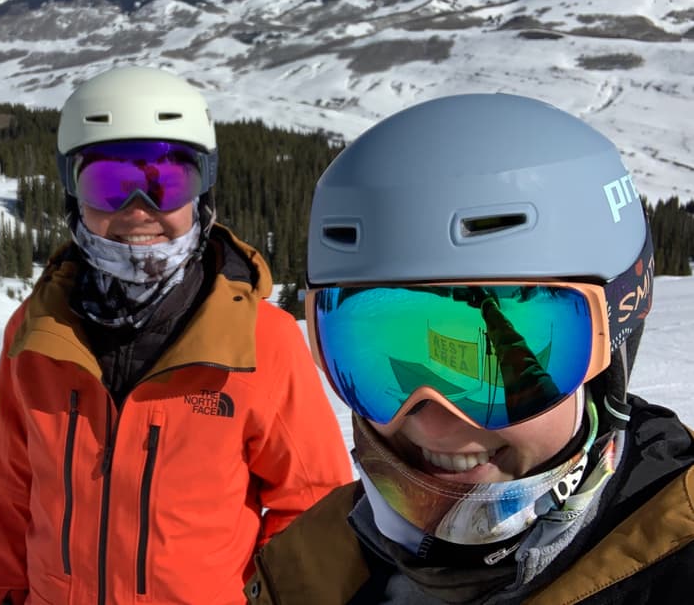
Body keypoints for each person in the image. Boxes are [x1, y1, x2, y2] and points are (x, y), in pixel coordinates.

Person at [246, 93, 694, 604]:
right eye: (372, 357)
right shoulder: (306, 568)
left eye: (510, 375)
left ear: (614, 343)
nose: (434, 422)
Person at [0, 66, 352, 605]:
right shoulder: (37, 333)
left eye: (166, 181)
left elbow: (313, 513)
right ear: (73, 192)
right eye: (108, 184)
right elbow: (12, 495)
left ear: (202, 189)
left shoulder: (259, 340)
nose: (139, 210)